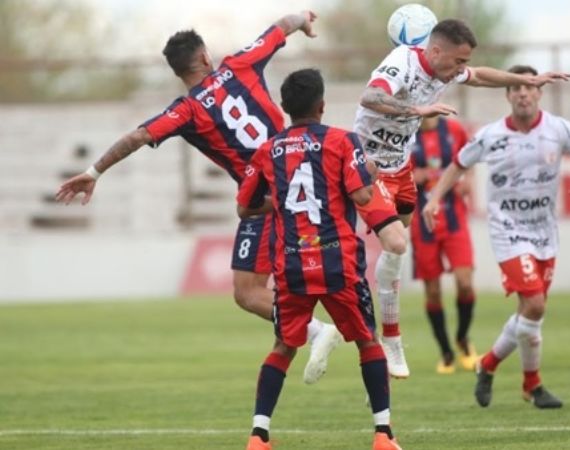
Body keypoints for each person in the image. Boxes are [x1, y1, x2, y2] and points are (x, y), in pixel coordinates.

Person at [54, 11, 342, 385]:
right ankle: (302, 365)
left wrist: (93, 172)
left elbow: (137, 137)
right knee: (282, 284)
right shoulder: (239, 64)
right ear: (205, 57)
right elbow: (280, 27)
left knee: (247, 292)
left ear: (179, 72)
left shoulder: (186, 110)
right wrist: (303, 18)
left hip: (265, 199)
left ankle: (317, 332)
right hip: (302, 176)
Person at [354, 18, 570, 378]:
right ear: (435, 51)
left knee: (397, 244)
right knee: (396, 242)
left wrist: (523, 79)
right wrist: (416, 110)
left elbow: (481, 76)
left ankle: (393, 328)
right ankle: (390, 337)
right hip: (368, 164)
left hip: (400, 167)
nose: (461, 70)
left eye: (464, 63)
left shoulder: (445, 70)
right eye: (458, 62)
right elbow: (370, 96)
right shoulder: (400, 64)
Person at [422, 64, 570, 409]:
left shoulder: (559, 129)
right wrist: (434, 199)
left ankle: (491, 366)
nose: (522, 94)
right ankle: (531, 384)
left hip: (544, 232)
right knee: (535, 305)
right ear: (507, 94)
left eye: (528, 88)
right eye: (516, 88)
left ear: (538, 92)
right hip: (507, 230)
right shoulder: (491, 135)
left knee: (530, 312)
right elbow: (458, 165)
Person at [237, 68, 400, 450]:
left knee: (283, 346)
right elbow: (361, 197)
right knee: (367, 341)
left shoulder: (268, 149)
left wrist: (276, 203)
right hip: (337, 260)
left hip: (291, 263)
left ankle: (258, 436)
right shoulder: (344, 141)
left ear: (284, 107)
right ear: (322, 105)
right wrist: (370, 173)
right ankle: (383, 435)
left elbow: (244, 208)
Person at [410, 116, 478, 374]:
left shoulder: (454, 129)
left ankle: (462, 337)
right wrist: (410, 174)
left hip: (454, 218)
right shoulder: (406, 132)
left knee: (465, 282)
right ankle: (446, 352)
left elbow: (471, 156)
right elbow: (391, 169)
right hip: (422, 223)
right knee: (434, 291)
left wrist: (469, 178)